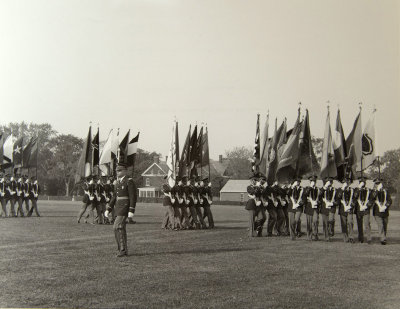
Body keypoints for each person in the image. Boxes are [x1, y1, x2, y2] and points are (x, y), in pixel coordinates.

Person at [105, 163, 137, 257]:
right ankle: (122, 250)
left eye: (120, 170)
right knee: (119, 228)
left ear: (125, 171)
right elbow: (115, 197)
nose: (117, 172)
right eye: (117, 171)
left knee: (117, 226)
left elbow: (133, 196)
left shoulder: (129, 181)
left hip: (125, 206)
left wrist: (131, 210)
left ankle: (122, 250)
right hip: (118, 207)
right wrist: (109, 208)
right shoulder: (118, 182)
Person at [371, 179, 392, 245]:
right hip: (377, 212)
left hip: (385, 211)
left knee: (385, 225)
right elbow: (372, 198)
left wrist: (385, 206)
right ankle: (383, 239)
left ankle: (383, 237)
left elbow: (389, 200)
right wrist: (377, 190)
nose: (378, 184)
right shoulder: (373, 191)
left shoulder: (386, 191)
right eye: (376, 183)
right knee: (381, 225)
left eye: (379, 183)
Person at [353, 177, 372, 244]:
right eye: (361, 182)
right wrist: (359, 188)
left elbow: (371, 198)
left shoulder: (368, 190)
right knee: (359, 224)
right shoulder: (356, 189)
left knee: (367, 224)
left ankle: (369, 238)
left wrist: (368, 205)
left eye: (364, 182)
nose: (362, 183)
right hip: (358, 210)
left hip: (366, 209)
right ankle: (360, 237)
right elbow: (354, 196)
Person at [337, 177, 355, 243]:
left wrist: (352, 205)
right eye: (345, 182)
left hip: (349, 208)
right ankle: (345, 237)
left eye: (348, 182)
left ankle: (351, 237)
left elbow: (355, 199)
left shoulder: (352, 190)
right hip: (342, 209)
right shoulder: (339, 190)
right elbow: (338, 197)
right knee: (343, 224)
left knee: (350, 222)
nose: (347, 183)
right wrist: (342, 189)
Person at [304, 175, 320, 241]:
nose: (313, 182)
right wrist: (310, 187)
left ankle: (315, 234)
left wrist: (317, 202)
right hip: (309, 207)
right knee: (309, 222)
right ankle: (309, 235)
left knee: (315, 221)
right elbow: (305, 194)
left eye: (314, 181)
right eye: (311, 181)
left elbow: (320, 198)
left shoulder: (317, 189)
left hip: (315, 207)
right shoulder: (307, 188)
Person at [320, 177, 337, 241]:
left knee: (331, 220)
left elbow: (337, 200)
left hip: (332, 208)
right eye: (328, 182)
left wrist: (333, 203)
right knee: (325, 223)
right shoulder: (323, 189)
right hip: (324, 208)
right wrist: (325, 187)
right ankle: (326, 237)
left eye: (330, 182)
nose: (329, 183)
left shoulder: (334, 190)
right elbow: (319, 195)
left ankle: (331, 231)